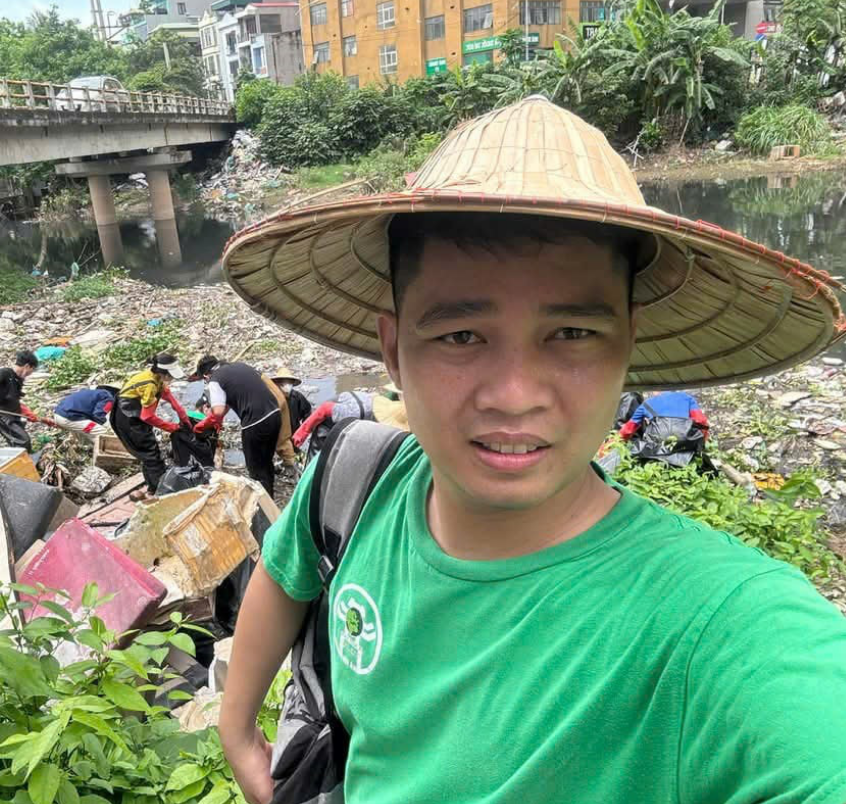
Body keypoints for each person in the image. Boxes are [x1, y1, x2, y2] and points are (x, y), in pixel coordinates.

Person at [217, 97, 846, 804]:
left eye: (573, 333)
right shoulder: (357, 478)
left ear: (628, 345)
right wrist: (236, 725)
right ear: (393, 350)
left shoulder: (724, 623)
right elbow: (286, 570)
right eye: (461, 336)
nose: (514, 396)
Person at [109, 353, 203, 495]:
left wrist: (182, 416)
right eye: (170, 376)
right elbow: (147, 416)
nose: (171, 379)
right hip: (127, 417)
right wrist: (171, 427)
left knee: (149, 453)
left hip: (136, 414)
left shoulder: (156, 378)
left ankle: (152, 487)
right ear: (163, 373)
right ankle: (162, 491)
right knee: (151, 455)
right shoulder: (149, 385)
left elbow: (169, 397)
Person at [193, 356, 285, 496]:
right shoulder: (241, 366)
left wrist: (201, 426)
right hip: (275, 414)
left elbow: (217, 411)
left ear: (206, 375)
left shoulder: (215, 379)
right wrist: (218, 421)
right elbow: (227, 404)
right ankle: (269, 500)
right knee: (266, 462)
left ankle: (261, 508)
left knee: (256, 469)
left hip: (255, 422)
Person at [292, 385, 408, 457]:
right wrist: (303, 432)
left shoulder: (382, 402)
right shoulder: (354, 412)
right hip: (328, 423)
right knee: (319, 458)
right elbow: (324, 409)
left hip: (350, 421)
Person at [0, 350, 43, 451]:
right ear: (27, 366)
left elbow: (14, 400)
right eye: (30, 372)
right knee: (23, 441)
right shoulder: (5, 373)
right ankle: (22, 462)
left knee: (20, 442)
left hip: (14, 415)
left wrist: (28, 414)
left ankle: (24, 460)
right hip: (3, 415)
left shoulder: (18, 380)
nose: (28, 375)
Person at [618, 390, 709, 439]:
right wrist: (702, 442)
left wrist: (609, 445)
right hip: (685, 442)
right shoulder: (687, 398)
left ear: (655, 390)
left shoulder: (647, 403)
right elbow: (701, 421)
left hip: (656, 447)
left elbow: (627, 430)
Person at [270, 367, 313, 435]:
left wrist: (303, 430)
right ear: (277, 383)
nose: (286, 384)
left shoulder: (297, 397)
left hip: (294, 435)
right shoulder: (271, 398)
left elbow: (308, 413)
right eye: (283, 382)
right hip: (276, 437)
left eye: (289, 382)